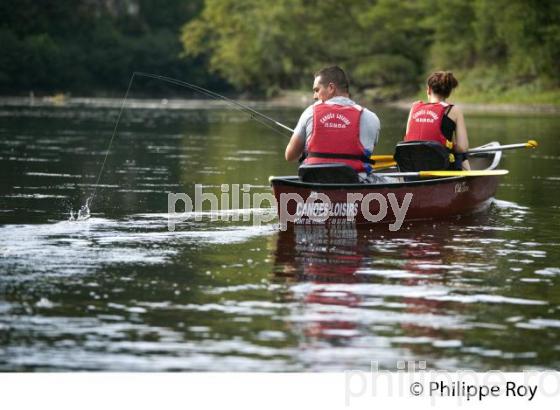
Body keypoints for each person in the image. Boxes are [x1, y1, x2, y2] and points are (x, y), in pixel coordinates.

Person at [285, 66, 386, 183]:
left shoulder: (310, 112)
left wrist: (306, 151)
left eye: (317, 90)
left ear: (331, 88)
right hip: (354, 184)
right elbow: (367, 153)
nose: (314, 96)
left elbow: (290, 155)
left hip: (314, 181)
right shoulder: (371, 118)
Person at [404, 71, 470, 170]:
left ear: (429, 90)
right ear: (448, 93)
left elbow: (409, 138)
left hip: (412, 166)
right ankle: (469, 182)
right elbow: (462, 147)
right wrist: (450, 145)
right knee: (462, 156)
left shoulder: (414, 107)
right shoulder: (454, 111)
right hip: (441, 166)